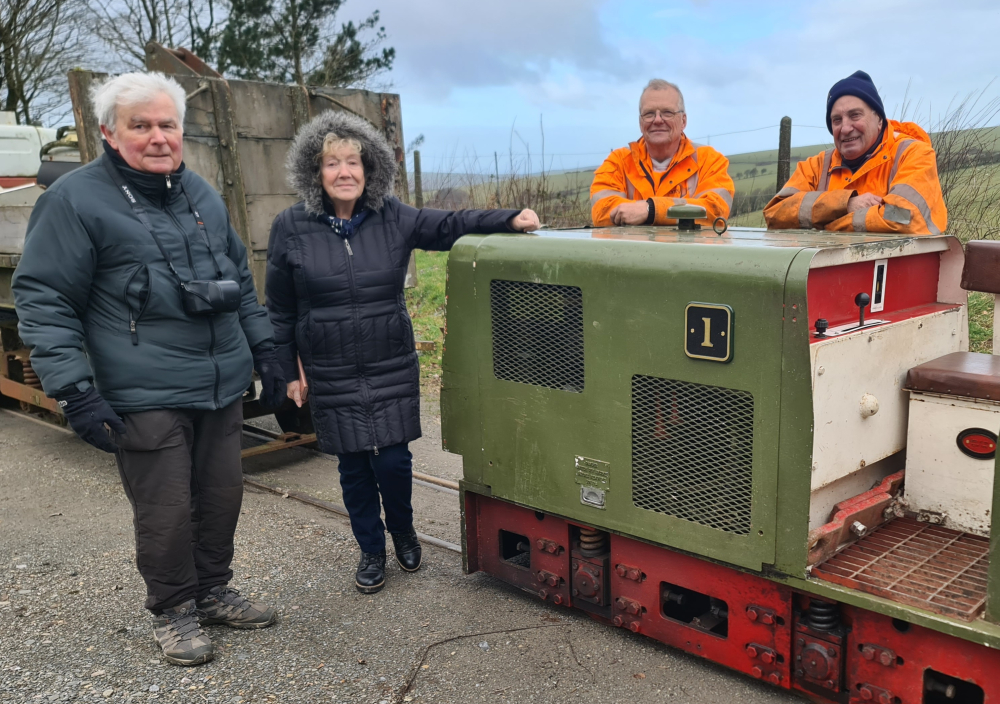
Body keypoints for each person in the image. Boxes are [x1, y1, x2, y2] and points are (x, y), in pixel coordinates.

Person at [12, 72, 286, 667]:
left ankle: (213, 591)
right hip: (142, 387)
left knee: (221, 496)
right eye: (141, 125)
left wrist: (263, 348)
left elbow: (238, 280)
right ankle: (175, 610)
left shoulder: (200, 194)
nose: (158, 137)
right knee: (166, 509)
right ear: (111, 133)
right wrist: (74, 391)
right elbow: (44, 297)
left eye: (168, 125)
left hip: (219, 382)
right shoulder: (76, 200)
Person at [266, 111, 539, 594]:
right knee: (353, 467)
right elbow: (281, 307)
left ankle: (404, 531)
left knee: (392, 462)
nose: (344, 172)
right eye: (333, 163)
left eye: (354, 161)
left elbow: (451, 224)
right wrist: (287, 369)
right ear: (316, 171)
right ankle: (371, 550)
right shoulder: (291, 226)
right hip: (331, 368)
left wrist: (507, 218)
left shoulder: (393, 216)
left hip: (388, 360)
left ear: (369, 169)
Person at [764, 70, 947, 234]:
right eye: (836, 120)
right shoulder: (817, 166)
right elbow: (775, 213)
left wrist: (828, 225)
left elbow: (903, 217)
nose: (845, 128)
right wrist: (845, 204)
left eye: (855, 115)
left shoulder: (913, 154)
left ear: (879, 119)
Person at [590, 79, 734, 227]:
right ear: (641, 123)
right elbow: (601, 210)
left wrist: (652, 210)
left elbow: (716, 210)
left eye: (667, 113)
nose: (658, 120)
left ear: (683, 121)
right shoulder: (618, 161)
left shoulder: (709, 160)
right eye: (649, 114)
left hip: (690, 250)